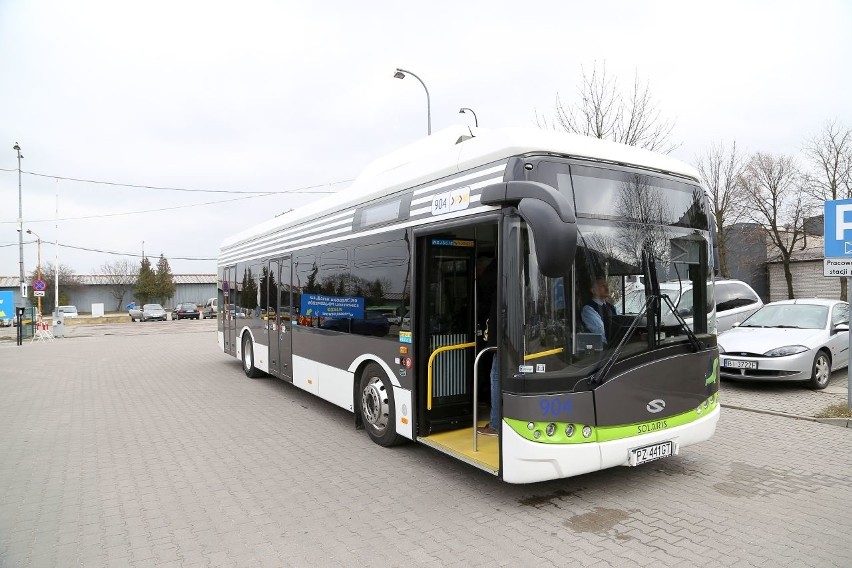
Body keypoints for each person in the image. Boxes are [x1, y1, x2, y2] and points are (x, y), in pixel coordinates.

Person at [475, 252, 499, 436]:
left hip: (499, 338)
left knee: (496, 376)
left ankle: (496, 424)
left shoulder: (491, 278)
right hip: (509, 338)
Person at [581, 278, 619, 346]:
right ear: (593, 290)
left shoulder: (611, 307)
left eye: (607, 285)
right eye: (602, 286)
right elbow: (600, 332)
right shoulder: (589, 309)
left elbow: (621, 323)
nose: (607, 288)